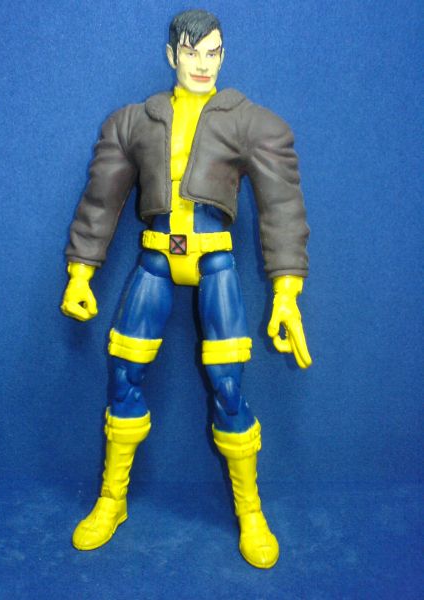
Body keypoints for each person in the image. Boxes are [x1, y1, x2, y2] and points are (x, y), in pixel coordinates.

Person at [61, 9, 311, 569]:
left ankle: (250, 511)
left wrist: (286, 292)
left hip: (215, 262)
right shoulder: (134, 122)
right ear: (172, 54)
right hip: (154, 260)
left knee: (229, 386)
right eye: (192, 52)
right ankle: (112, 499)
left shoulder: (251, 123)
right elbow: (101, 200)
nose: (202, 63)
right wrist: (81, 270)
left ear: (223, 55)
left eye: (213, 52)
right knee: (123, 373)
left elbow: (282, 206)